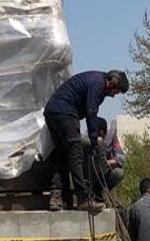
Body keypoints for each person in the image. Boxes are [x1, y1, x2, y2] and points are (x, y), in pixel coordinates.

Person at [42, 70, 129, 212]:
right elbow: (91, 112)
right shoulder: (98, 85)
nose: (113, 96)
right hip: (65, 112)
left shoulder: (95, 80)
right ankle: (83, 198)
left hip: (52, 111)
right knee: (76, 154)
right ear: (112, 83)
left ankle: (56, 196)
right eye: (116, 91)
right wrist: (94, 142)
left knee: (62, 155)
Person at [90, 117, 126, 192]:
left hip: (105, 171)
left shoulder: (111, 136)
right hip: (90, 173)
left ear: (102, 131)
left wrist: (106, 162)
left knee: (119, 173)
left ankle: (103, 192)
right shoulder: (88, 136)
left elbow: (121, 157)